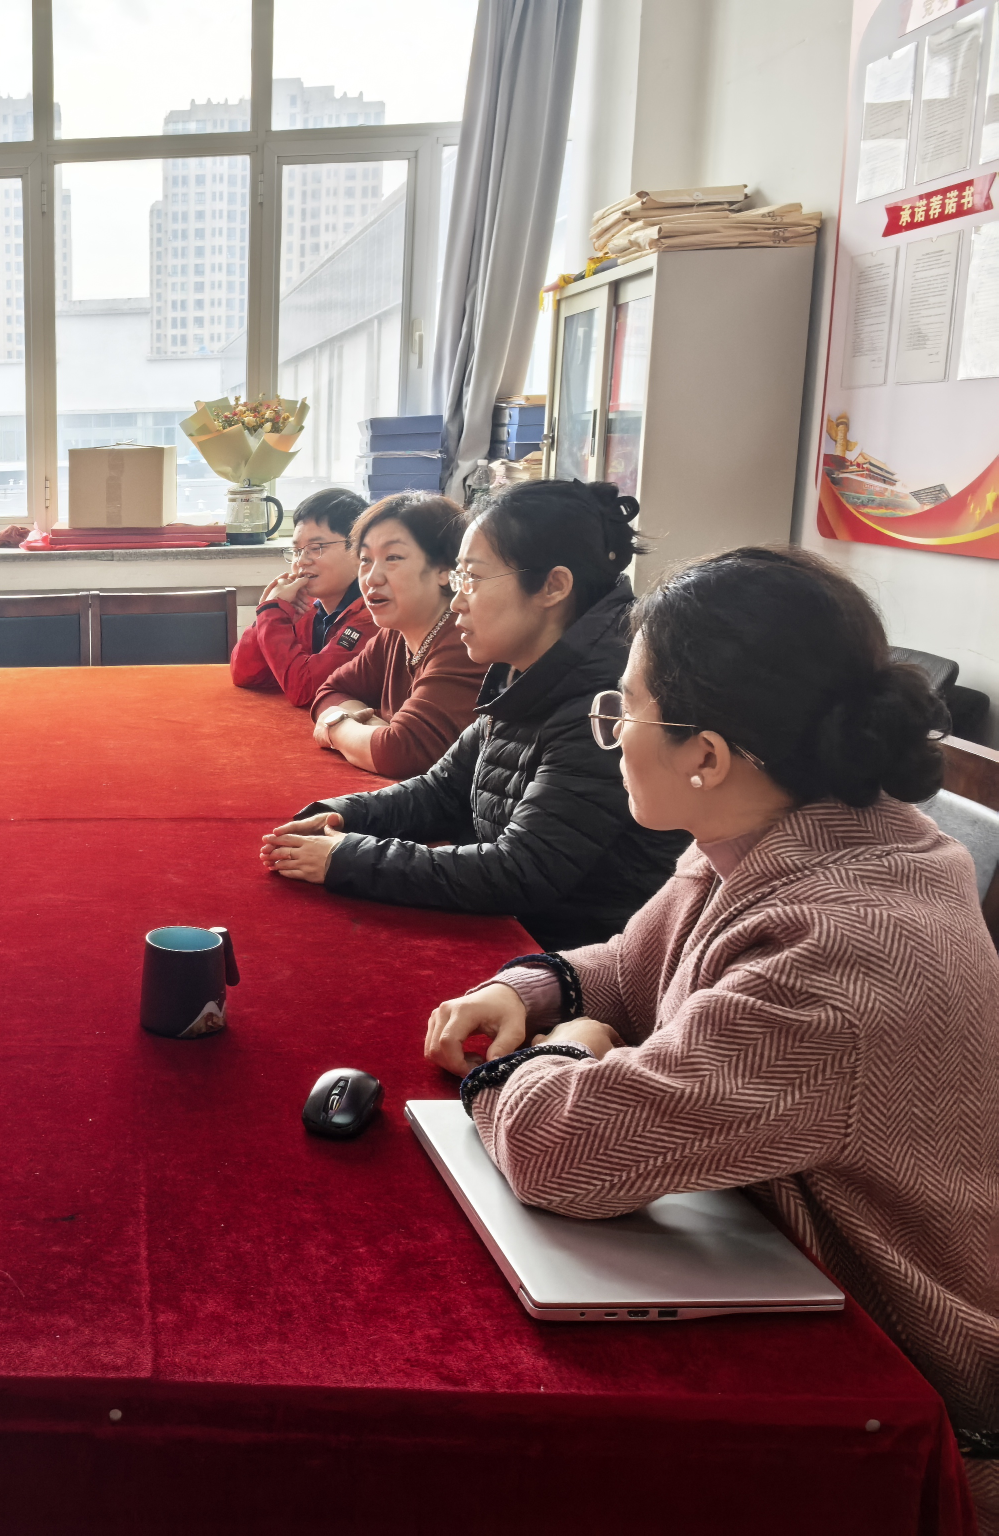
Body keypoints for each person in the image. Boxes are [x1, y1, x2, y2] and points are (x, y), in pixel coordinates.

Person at [419, 546, 999, 1530]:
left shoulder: (843, 953)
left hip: (898, 1411)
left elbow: (563, 1151)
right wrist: (531, 988)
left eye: (624, 708)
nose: (610, 734)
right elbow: (629, 968)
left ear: (708, 754)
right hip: (771, 1265)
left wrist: (566, 1048)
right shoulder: (771, 830)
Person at [260, 480, 689, 949]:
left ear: (553, 586)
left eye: (473, 579)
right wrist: (340, 816)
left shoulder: (601, 701)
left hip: (574, 956)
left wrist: (344, 858)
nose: (458, 601)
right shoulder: (527, 669)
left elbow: (520, 870)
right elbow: (443, 790)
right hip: (517, 934)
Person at [306, 492, 486, 778]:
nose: (371, 578)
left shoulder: (465, 640)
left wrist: (336, 727)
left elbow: (399, 753)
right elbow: (330, 691)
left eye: (392, 558)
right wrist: (365, 728)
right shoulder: (396, 633)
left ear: (445, 570)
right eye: (365, 560)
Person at [229, 488, 372, 705]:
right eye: (297, 551)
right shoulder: (306, 607)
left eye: (316, 548)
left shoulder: (372, 617)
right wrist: (268, 612)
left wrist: (271, 615)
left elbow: (306, 690)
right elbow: (246, 675)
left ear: (360, 551)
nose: (302, 561)